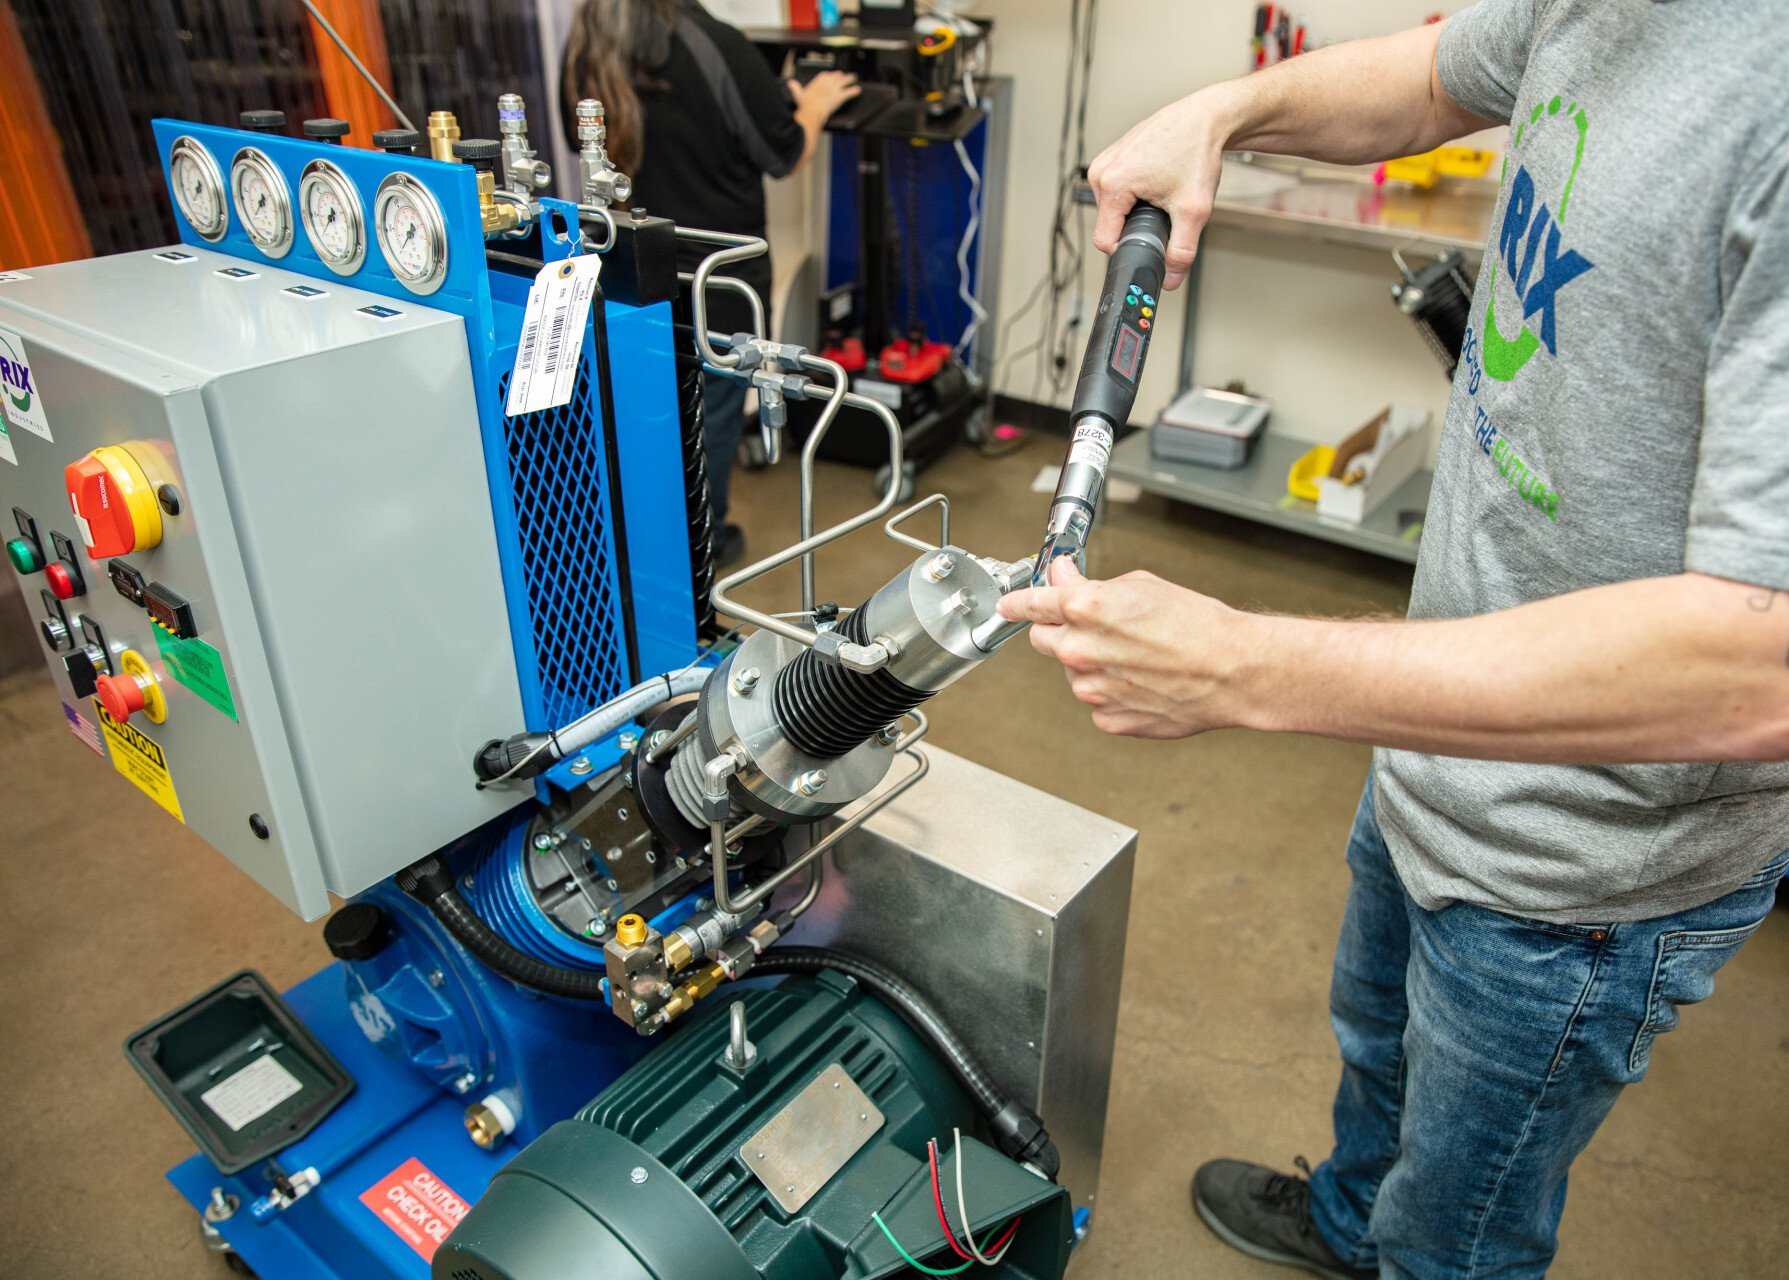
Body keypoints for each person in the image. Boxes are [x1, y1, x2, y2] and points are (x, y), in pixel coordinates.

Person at [997, 2, 1789, 1277]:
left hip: (1583, 864)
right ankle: (1348, 1217)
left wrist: (1243, 665)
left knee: (1458, 1224)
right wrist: (1226, 112)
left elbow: (1760, 665)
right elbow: (1431, 77)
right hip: (1437, 726)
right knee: (1377, 1040)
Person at [562, 0, 859, 566]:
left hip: (628, 274)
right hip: (717, 284)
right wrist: (815, 105)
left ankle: (647, 548)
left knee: (646, 414)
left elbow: (590, 145)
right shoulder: (716, 43)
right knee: (709, 421)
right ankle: (704, 544)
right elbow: (785, 153)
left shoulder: (587, 44)